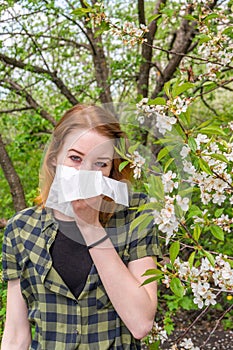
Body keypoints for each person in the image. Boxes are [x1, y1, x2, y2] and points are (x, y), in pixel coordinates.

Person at [1, 104, 161, 350]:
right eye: (75, 158)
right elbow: (15, 336)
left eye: (100, 164)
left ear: (111, 170)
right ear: (55, 157)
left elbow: (141, 323)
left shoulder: (135, 215)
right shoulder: (21, 229)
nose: (85, 172)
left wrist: (91, 226)